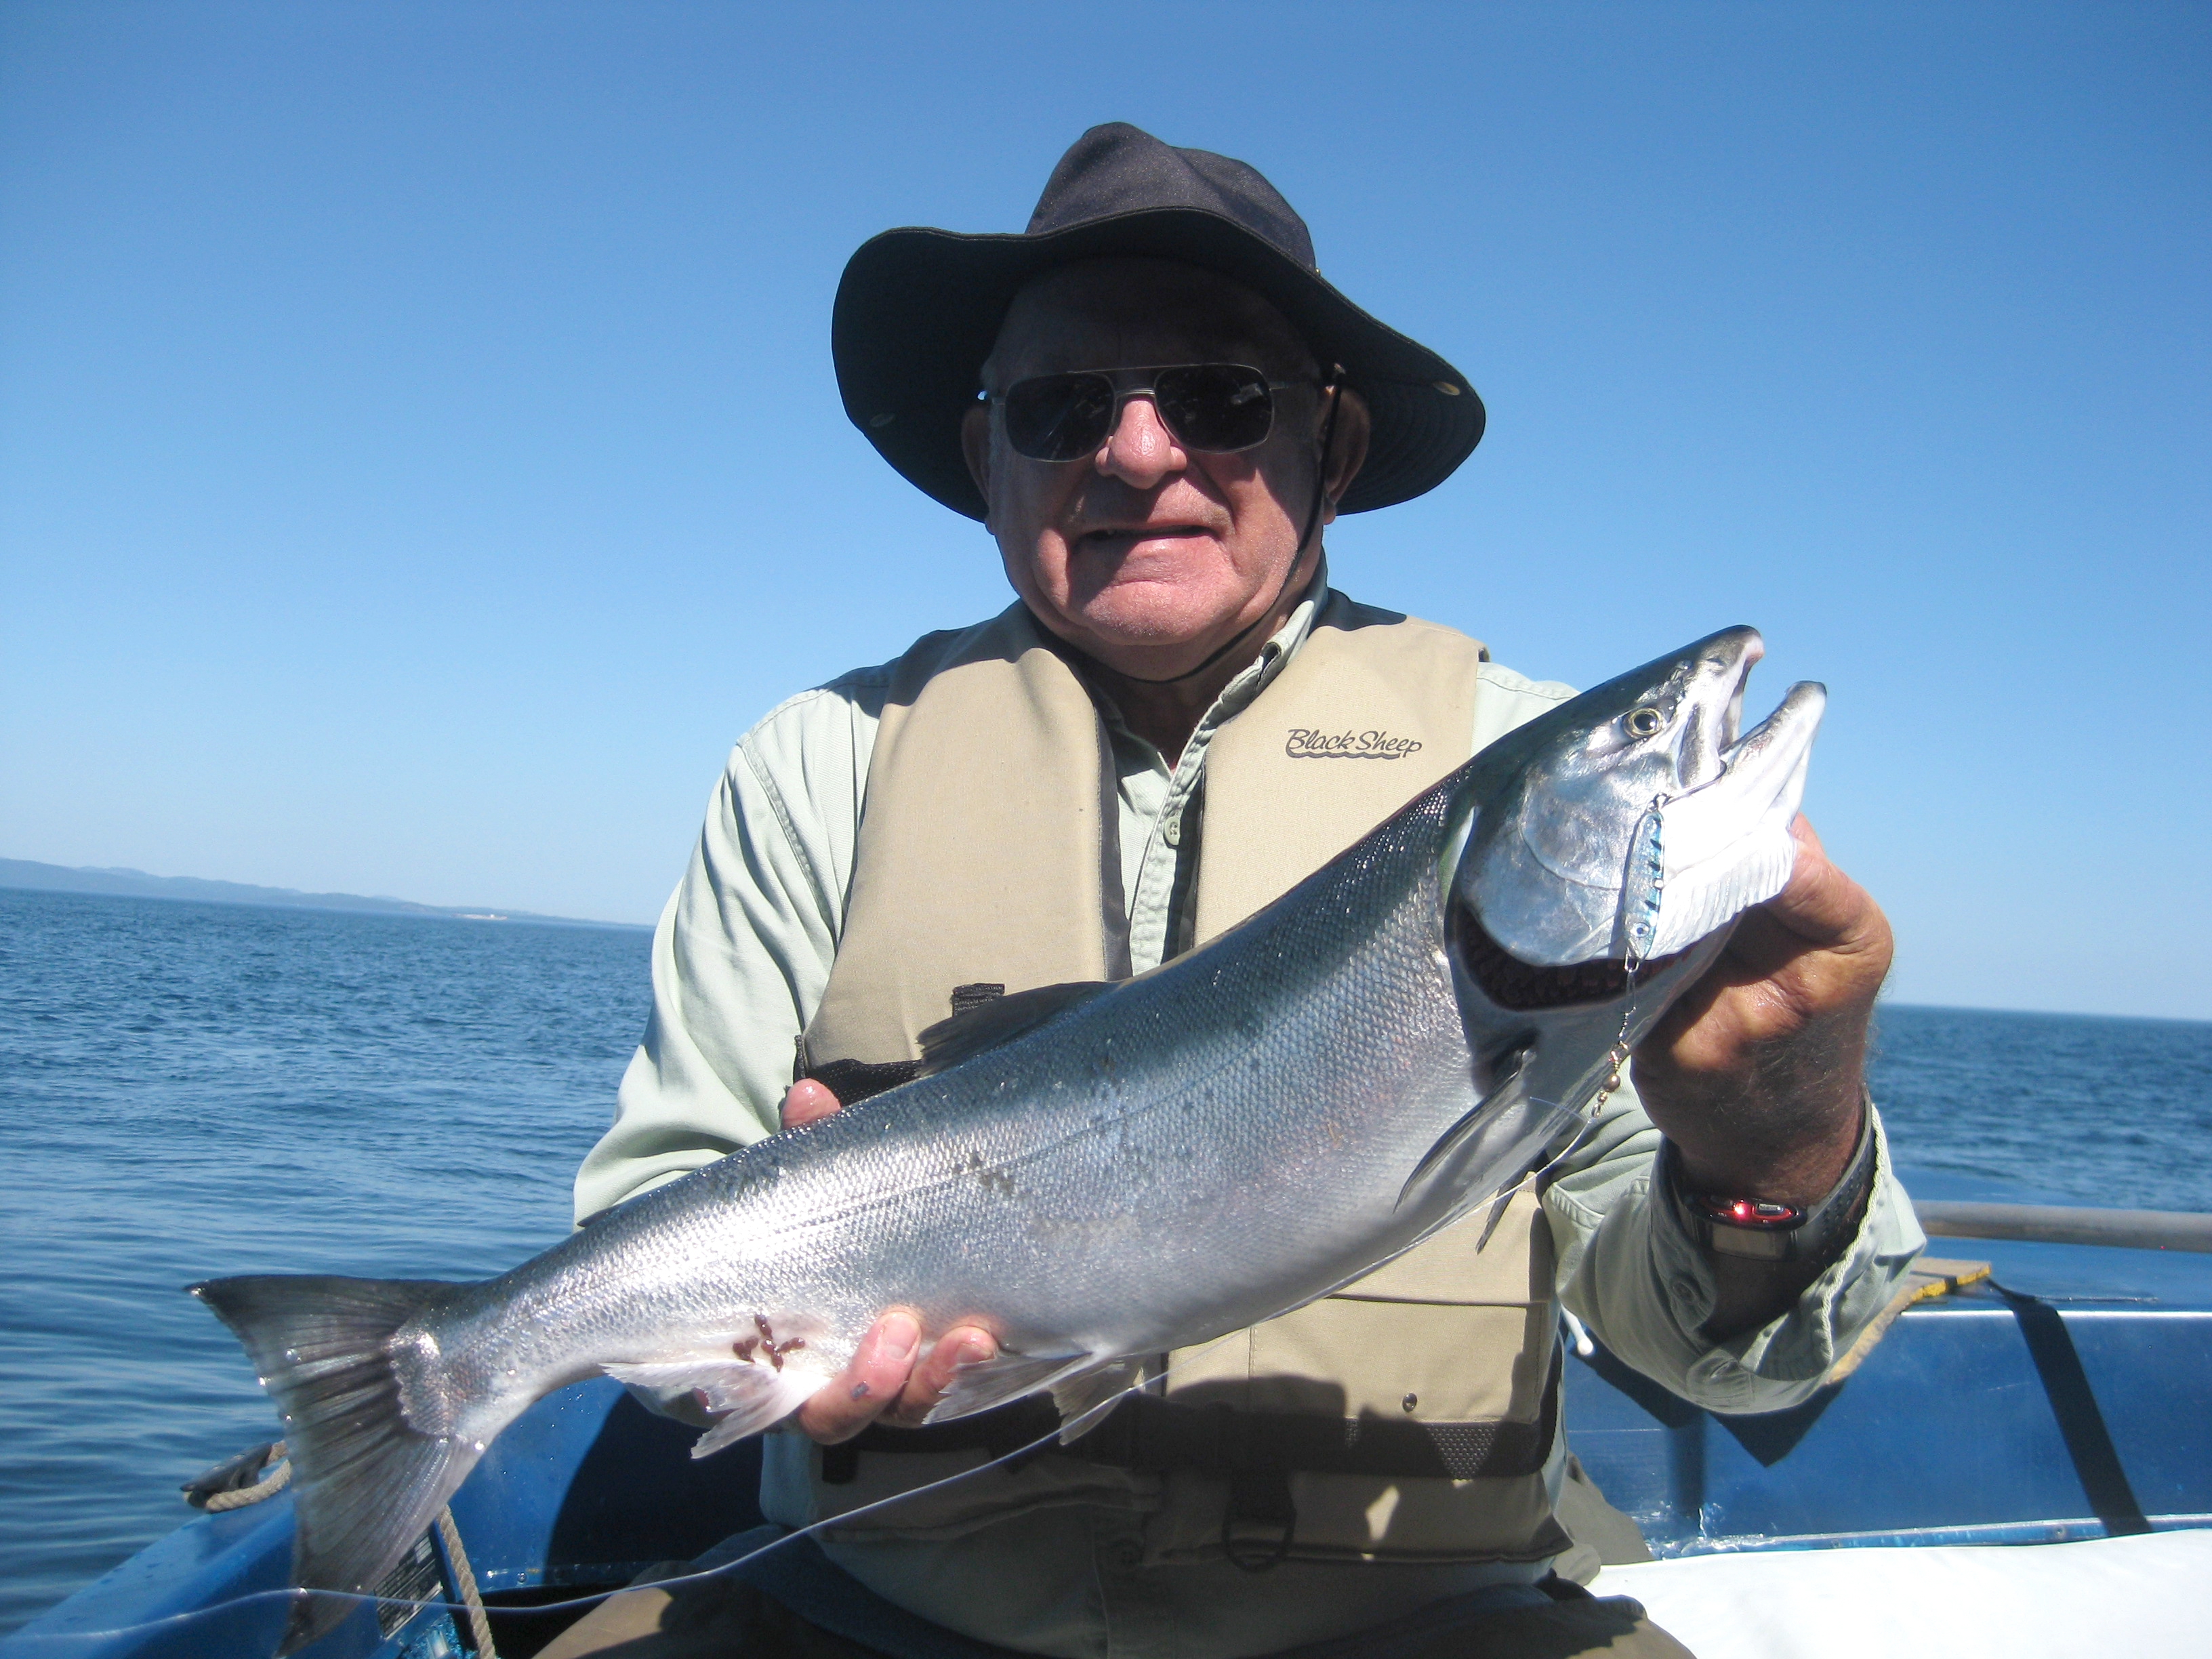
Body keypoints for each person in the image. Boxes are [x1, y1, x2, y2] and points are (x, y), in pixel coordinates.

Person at [562, 124, 1923, 1659]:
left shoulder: (1513, 767)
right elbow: (645, 1220)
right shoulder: (820, 763)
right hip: (873, 1612)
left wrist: (1779, 1150)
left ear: (1332, 451)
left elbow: (1732, 1372)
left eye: (1219, 398)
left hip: (1435, 1624)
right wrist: (763, 1332)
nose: (1139, 454)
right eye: (1064, 406)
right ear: (985, 461)